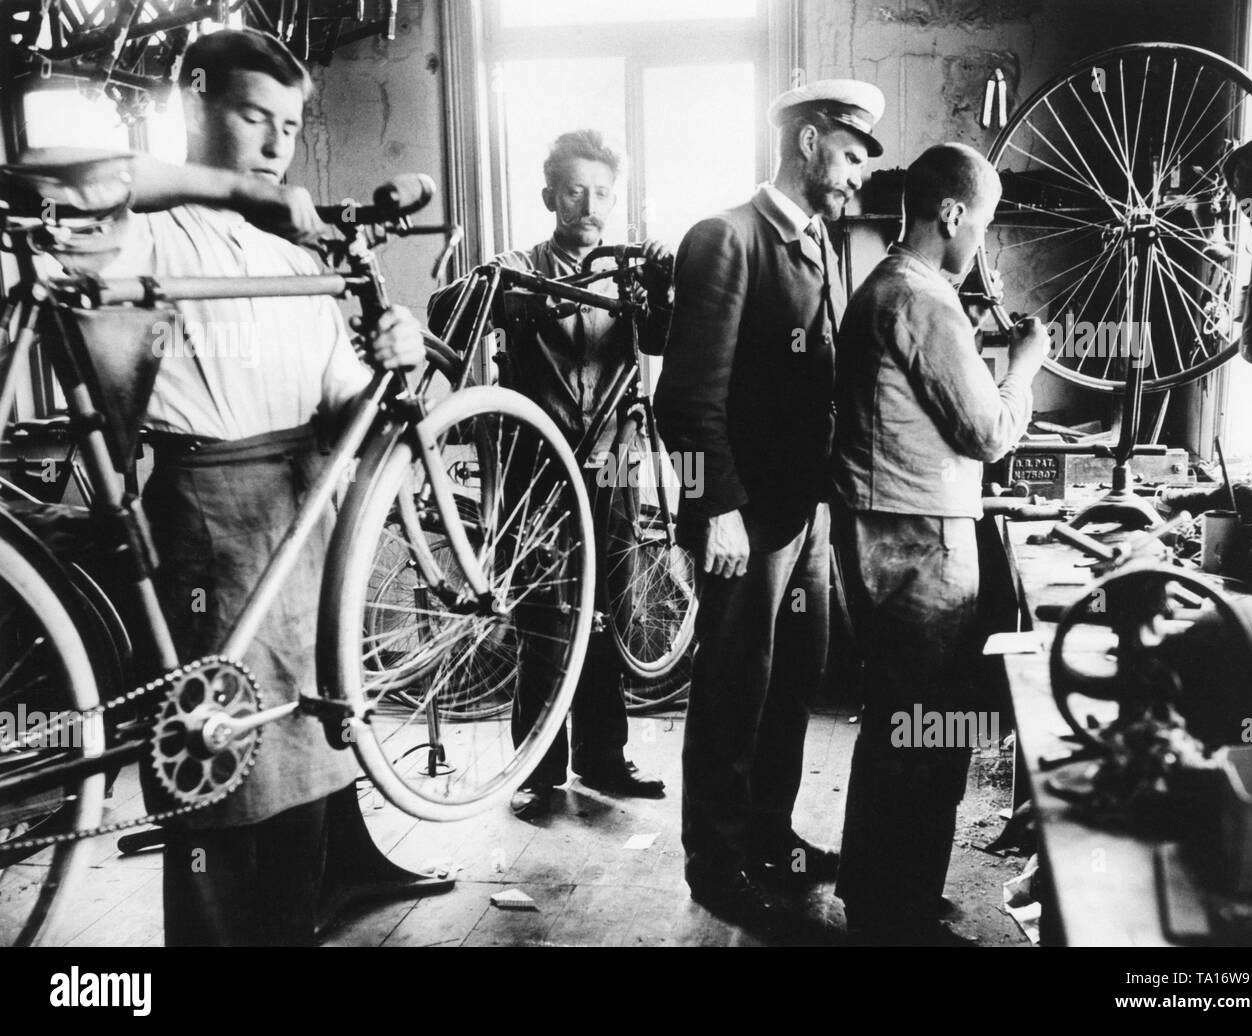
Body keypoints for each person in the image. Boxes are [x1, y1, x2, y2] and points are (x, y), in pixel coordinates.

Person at [100, 28, 425, 945]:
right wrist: (237, 189)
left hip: (304, 533)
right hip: (208, 527)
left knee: (307, 797)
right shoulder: (142, 235)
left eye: (292, 125)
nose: (280, 146)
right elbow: (81, 176)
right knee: (212, 795)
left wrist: (395, 361)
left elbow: (355, 408)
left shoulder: (296, 261)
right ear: (193, 106)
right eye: (255, 118)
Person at [653, 79, 883, 929]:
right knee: (731, 690)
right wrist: (714, 505)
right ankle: (715, 865)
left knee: (792, 680)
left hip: (804, 509)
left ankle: (771, 839)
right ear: (812, 139)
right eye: (854, 155)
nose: (859, 174)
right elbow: (682, 399)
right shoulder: (727, 237)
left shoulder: (822, 242)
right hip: (743, 517)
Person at [831, 142, 1047, 945]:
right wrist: (1023, 366)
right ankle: (897, 913)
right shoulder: (920, 295)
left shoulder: (888, 286)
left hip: (897, 531)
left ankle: (879, 889)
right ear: (951, 213)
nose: (980, 245)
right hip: (917, 541)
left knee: (903, 723)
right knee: (924, 730)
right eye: (982, 226)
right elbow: (988, 431)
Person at [429, 130, 674, 819]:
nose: (590, 205)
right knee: (545, 618)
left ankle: (604, 756)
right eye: (575, 191)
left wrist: (659, 283)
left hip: (613, 465)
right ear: (549, 197)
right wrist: (513, 295)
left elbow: (660, 340)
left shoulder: (626, 271)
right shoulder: (517, 263)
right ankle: (536, 768)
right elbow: (447, 312)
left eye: (602, 193)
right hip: (539, 467)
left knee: (605, 613)